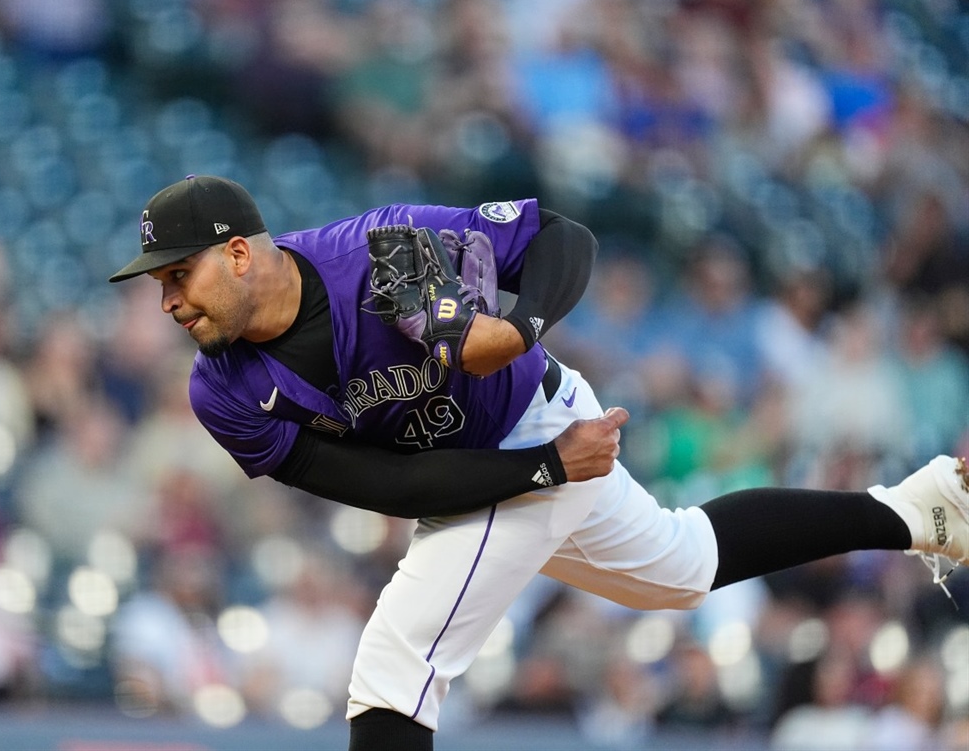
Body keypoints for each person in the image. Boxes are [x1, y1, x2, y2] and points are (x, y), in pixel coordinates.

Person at [107, 174, 969, 751]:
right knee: (682, 565)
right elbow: (391, 487)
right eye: (157, 285)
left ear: (240, 252)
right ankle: (917, 508)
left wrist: (519, 330)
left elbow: (564, 238)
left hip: (527, 417)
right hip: (514, 461)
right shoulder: (221, 392)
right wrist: (551, 470)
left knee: (396, 664)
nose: (169, 299)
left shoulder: (376, 250)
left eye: (178, 273)